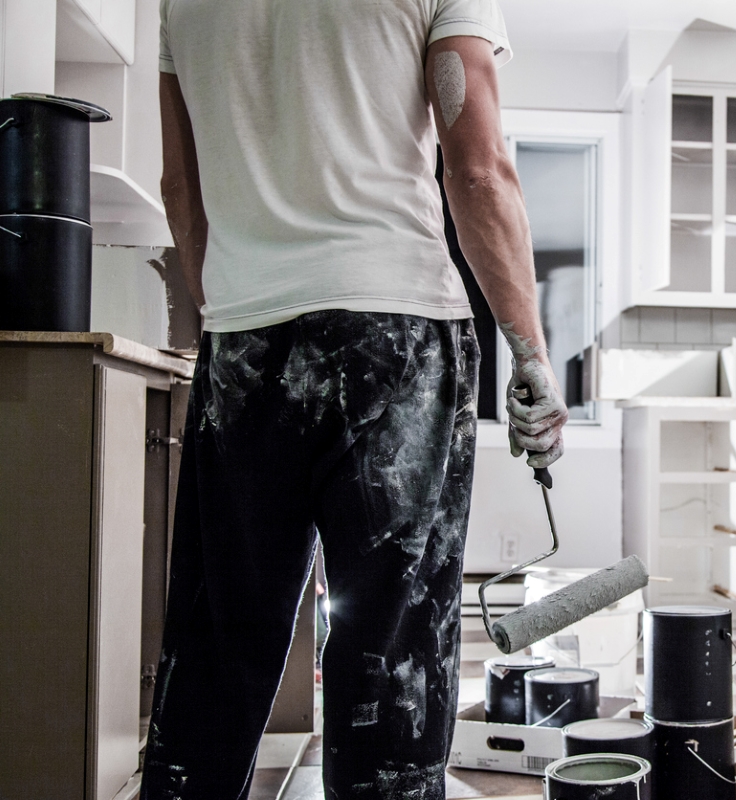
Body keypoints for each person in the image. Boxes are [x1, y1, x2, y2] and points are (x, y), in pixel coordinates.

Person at [144, 1, 568, 797]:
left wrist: (234, 315)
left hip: (244, 341)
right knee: (390, 659)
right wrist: (531, 352)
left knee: (217, 648)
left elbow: (180, 186)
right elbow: (477, 170)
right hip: (396, 337)